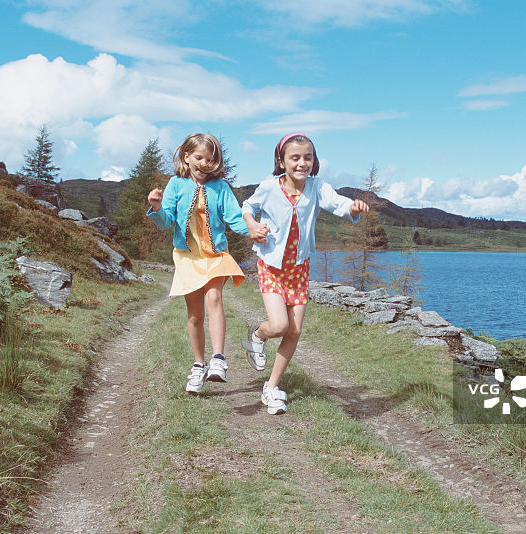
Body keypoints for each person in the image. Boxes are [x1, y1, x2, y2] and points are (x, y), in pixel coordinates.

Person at [241, 133, 369, 414]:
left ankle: (271, 388)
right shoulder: (269, 187)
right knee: (278, 326)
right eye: (295, 157)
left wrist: (353, 207)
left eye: (307, 157)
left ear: (314, 160)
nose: (302, 163)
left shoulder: (316, 186)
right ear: (281, 160)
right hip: (271, 265)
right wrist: (252, 225)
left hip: (299, 268)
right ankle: (258, 335)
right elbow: (248, 207)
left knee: (294, 330)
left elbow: (337, 203)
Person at [147, 133, 267, 393]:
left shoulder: (220, 187)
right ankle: (198, 365)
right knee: (194, 315)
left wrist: (253, 228)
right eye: (199, 157)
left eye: (210, 159)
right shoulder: (176, 184)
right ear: (186, 157)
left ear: (216, 162)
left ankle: (219, 360)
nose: (204, 163)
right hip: (188, 257)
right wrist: (156, 208)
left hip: (215, 257)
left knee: (214, 299)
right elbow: (167, 220)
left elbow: (235, 219)